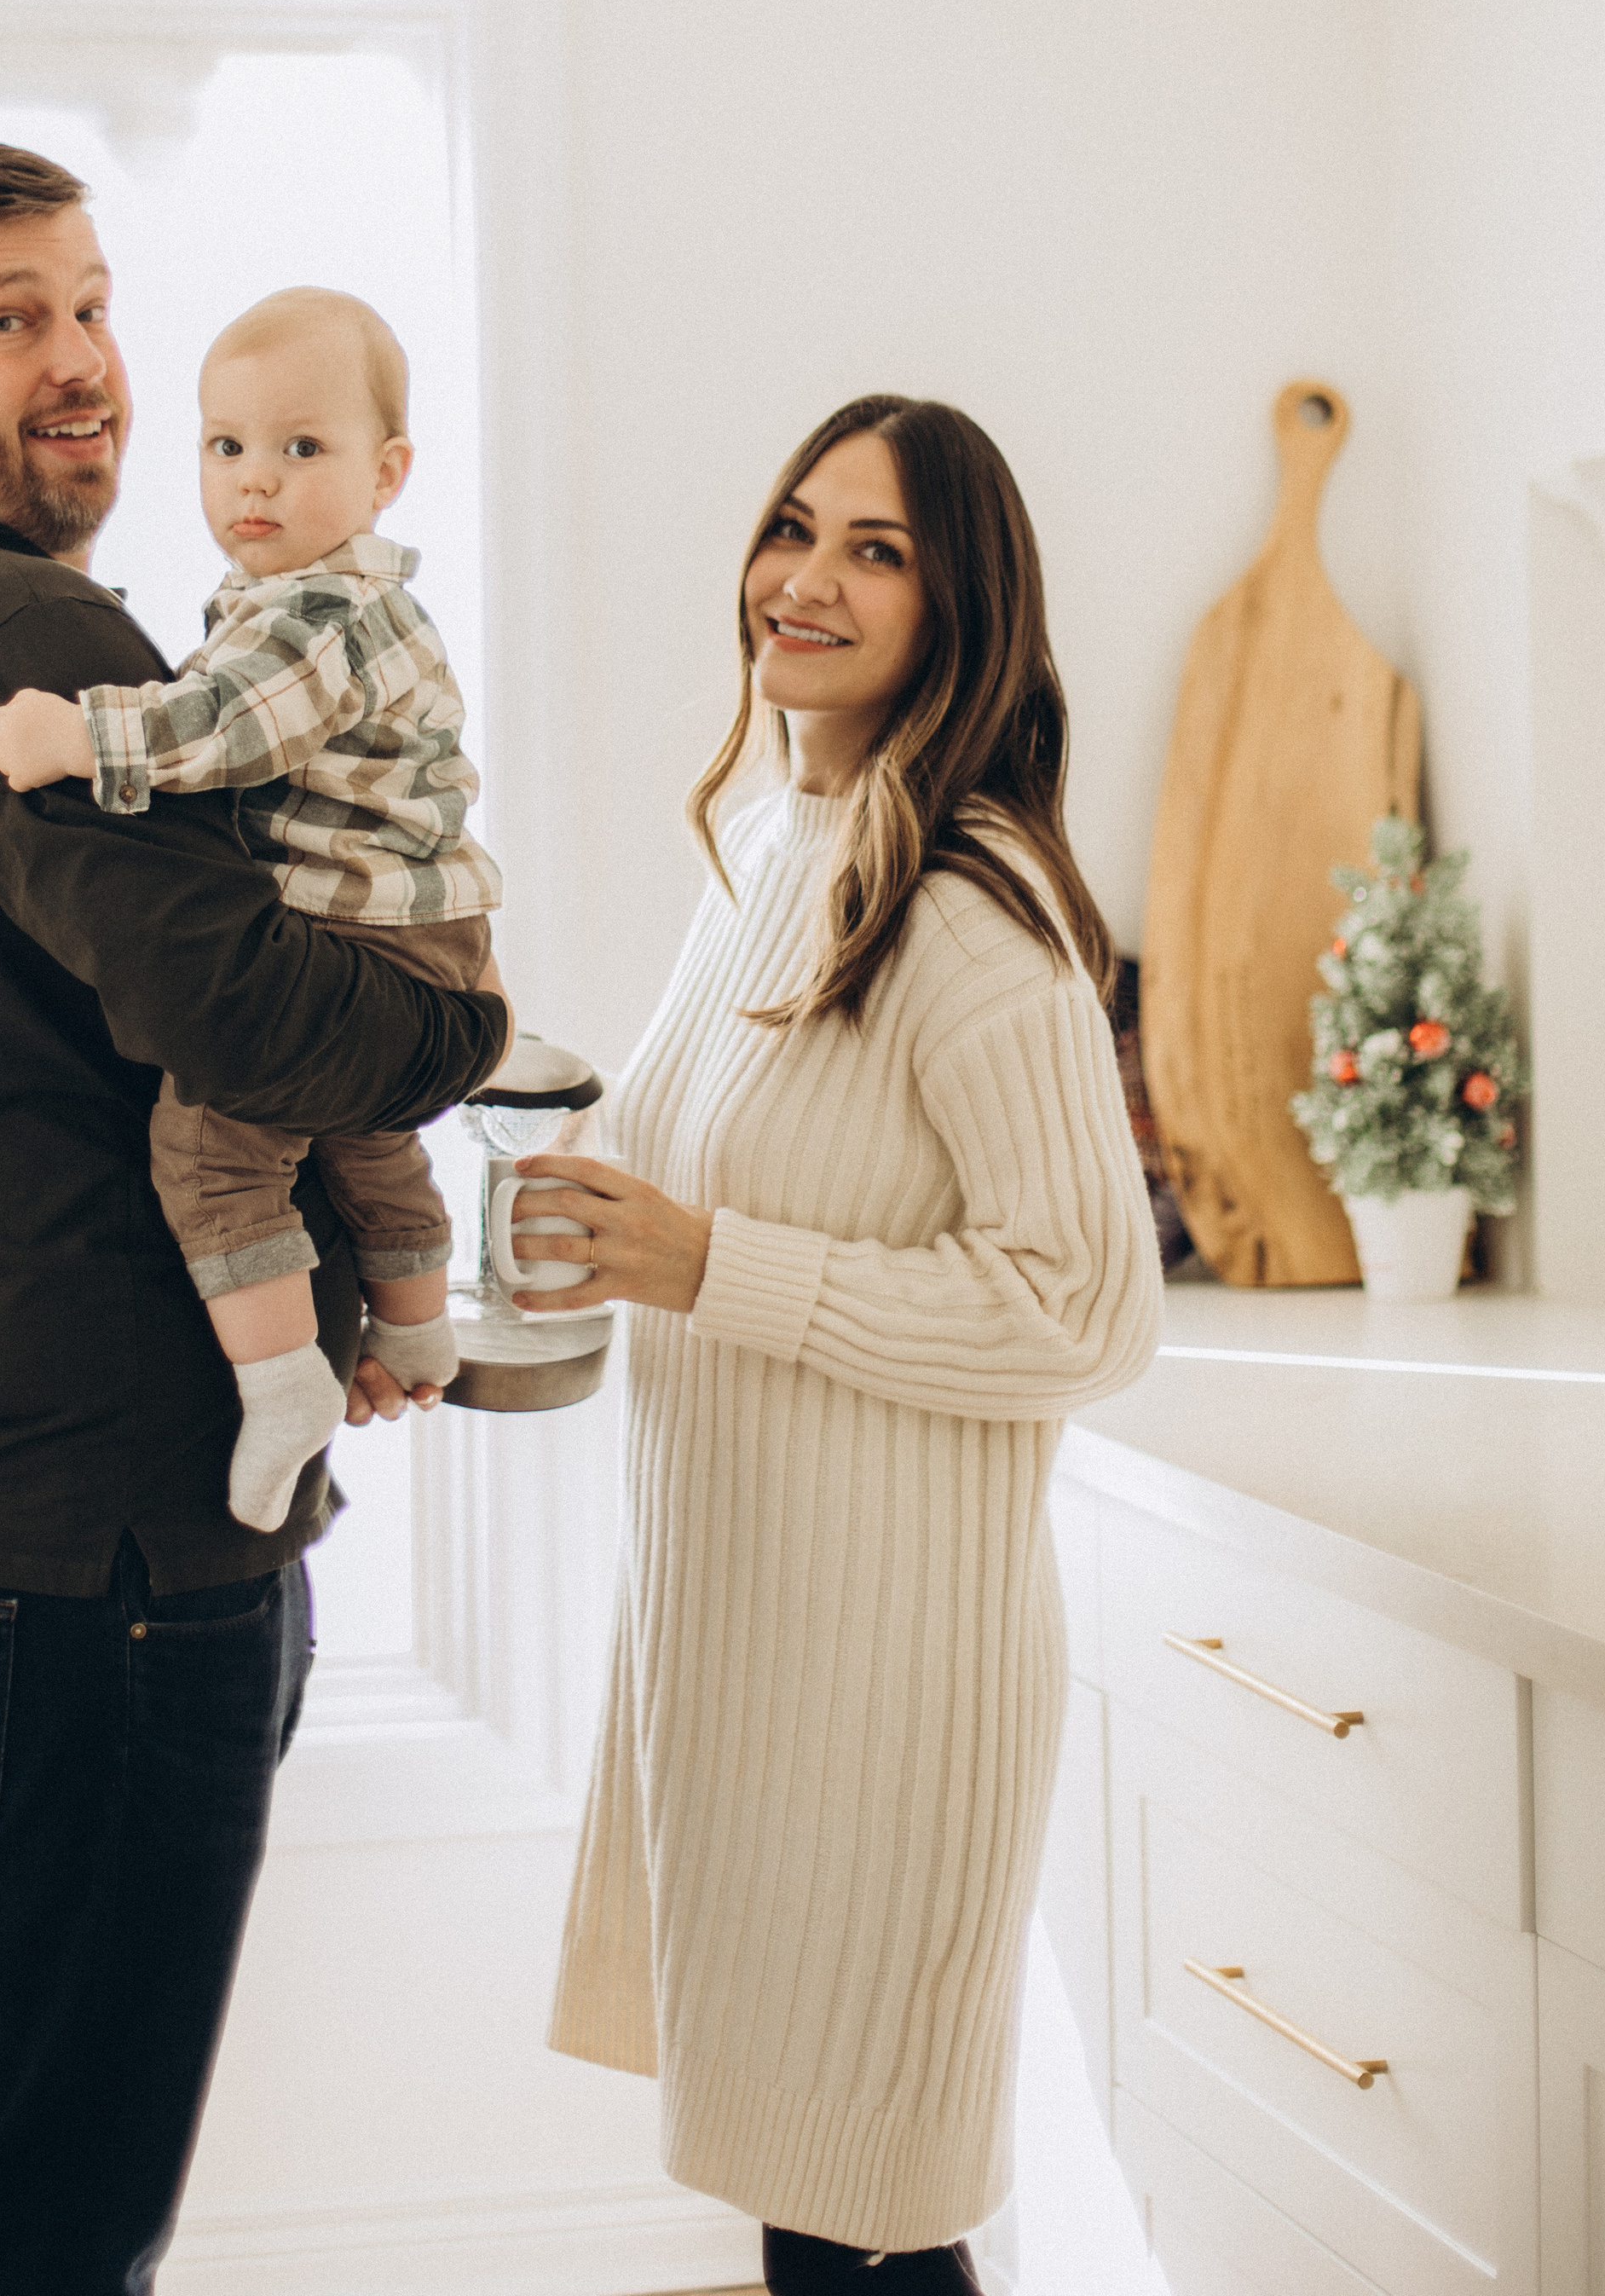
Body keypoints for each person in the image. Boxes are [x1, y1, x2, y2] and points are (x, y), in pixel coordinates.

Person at [0, 141, 507, 2296]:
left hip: (6, 1529)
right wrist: (466, 1029)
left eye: (91, 302)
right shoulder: (25, 632)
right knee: (48, 2221)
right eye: (7, 319)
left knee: (22, 2181)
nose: (84, 363)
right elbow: (248, 1011)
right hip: (95, 1558)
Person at [510, 394, 1163, 2294]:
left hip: (884, 1691)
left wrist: (715, 1265)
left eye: (872, 549)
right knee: (817, 2225)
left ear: (961, 609)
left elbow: (1080, 1309)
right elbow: (676, 1169)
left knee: (863, 2235)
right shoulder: (774, 855)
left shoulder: (965, 907)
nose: (799, 579)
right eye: (792, 526)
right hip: (745, 1655)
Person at [0, 282, 501, 1532]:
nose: (253, 483)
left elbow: (223, 729)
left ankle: (281, 1390)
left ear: (388, 474)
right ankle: (422, 1334)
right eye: (226, 448)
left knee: (213, 1150)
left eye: (300, 449)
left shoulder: (326, 611)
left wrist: (80, 734)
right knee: (364, 1137)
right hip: (414, 941)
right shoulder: (309, 602)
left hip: (367, 937)